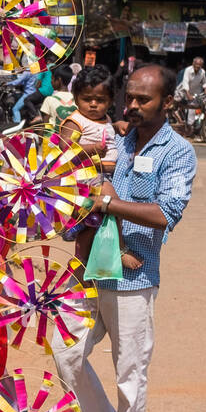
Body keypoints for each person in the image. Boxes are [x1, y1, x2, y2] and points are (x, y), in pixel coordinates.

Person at [52, 64, 196, 412]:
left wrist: (107, 204)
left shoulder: (178, 151)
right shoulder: (113, 138)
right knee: (66, 350)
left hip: (135, 277)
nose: (131, 106)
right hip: (90, 271)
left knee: (130, 368)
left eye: (143, 100)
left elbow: (166, 214)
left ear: (167, 102)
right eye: (128, 97)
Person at [59, 65, 127, 265]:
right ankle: (122, 250)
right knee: (117, 207)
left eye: (101, 100)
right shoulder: (75, 121)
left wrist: (115, 125)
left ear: (111, 101)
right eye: (87, 99)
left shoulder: (104, 119)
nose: (94, 104)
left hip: (103, 175)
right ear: (76, 97)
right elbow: (65, 149)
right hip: (88, 175)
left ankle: (80, 260)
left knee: (92, 225)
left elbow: (101, 129)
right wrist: (93, 149)